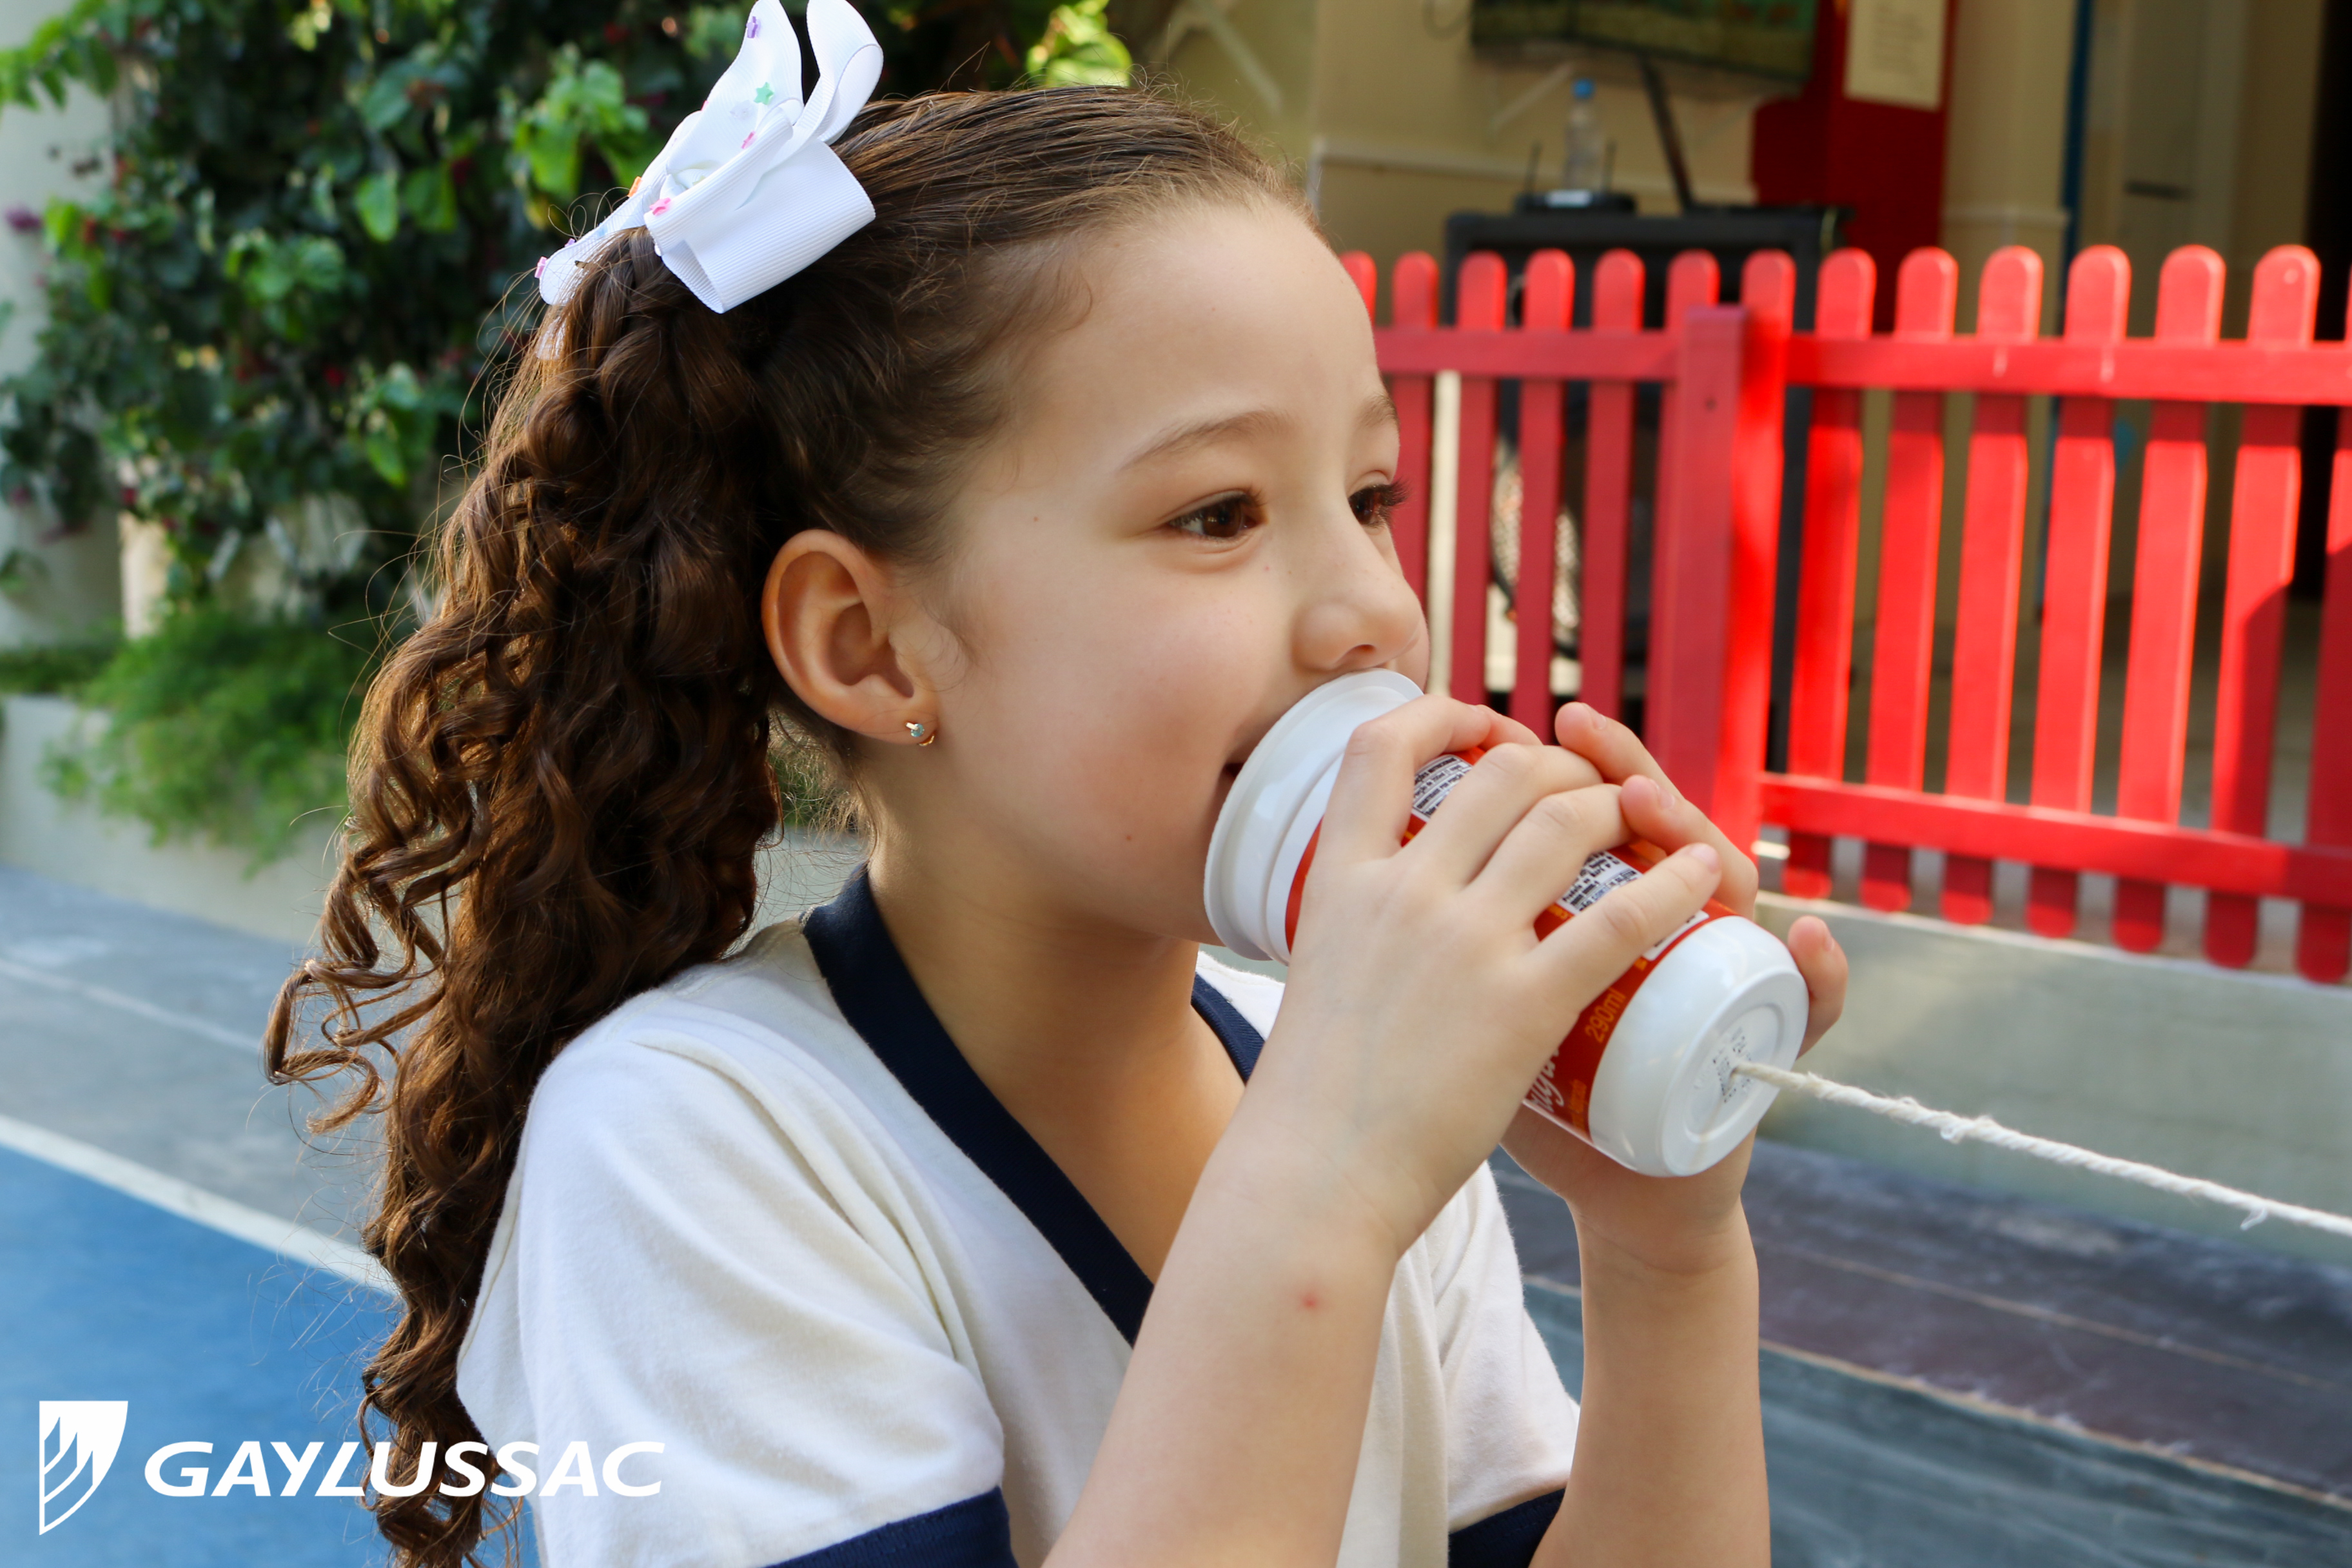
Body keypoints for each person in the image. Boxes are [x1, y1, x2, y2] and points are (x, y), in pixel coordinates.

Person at [268, 3, 1848, 1565]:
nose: (1371, 608)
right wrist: (1326, 1184)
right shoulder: (697, 1136)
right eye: (1218, 513)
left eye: (1370, 495)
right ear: (870, 645)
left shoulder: (1333, 1067)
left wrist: (1667, 1254)